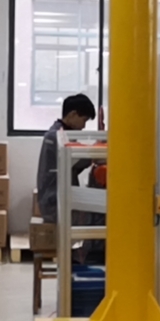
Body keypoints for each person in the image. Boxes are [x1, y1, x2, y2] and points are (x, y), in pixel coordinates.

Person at [35, 94, 97, 225]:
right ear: (73, 114)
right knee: (98, 215)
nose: (84, 126)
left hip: (59, 197)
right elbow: (78, 157)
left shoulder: (64, 134)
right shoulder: (56, 137)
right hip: (54, 203)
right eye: (84, 120)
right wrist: (96, 153)